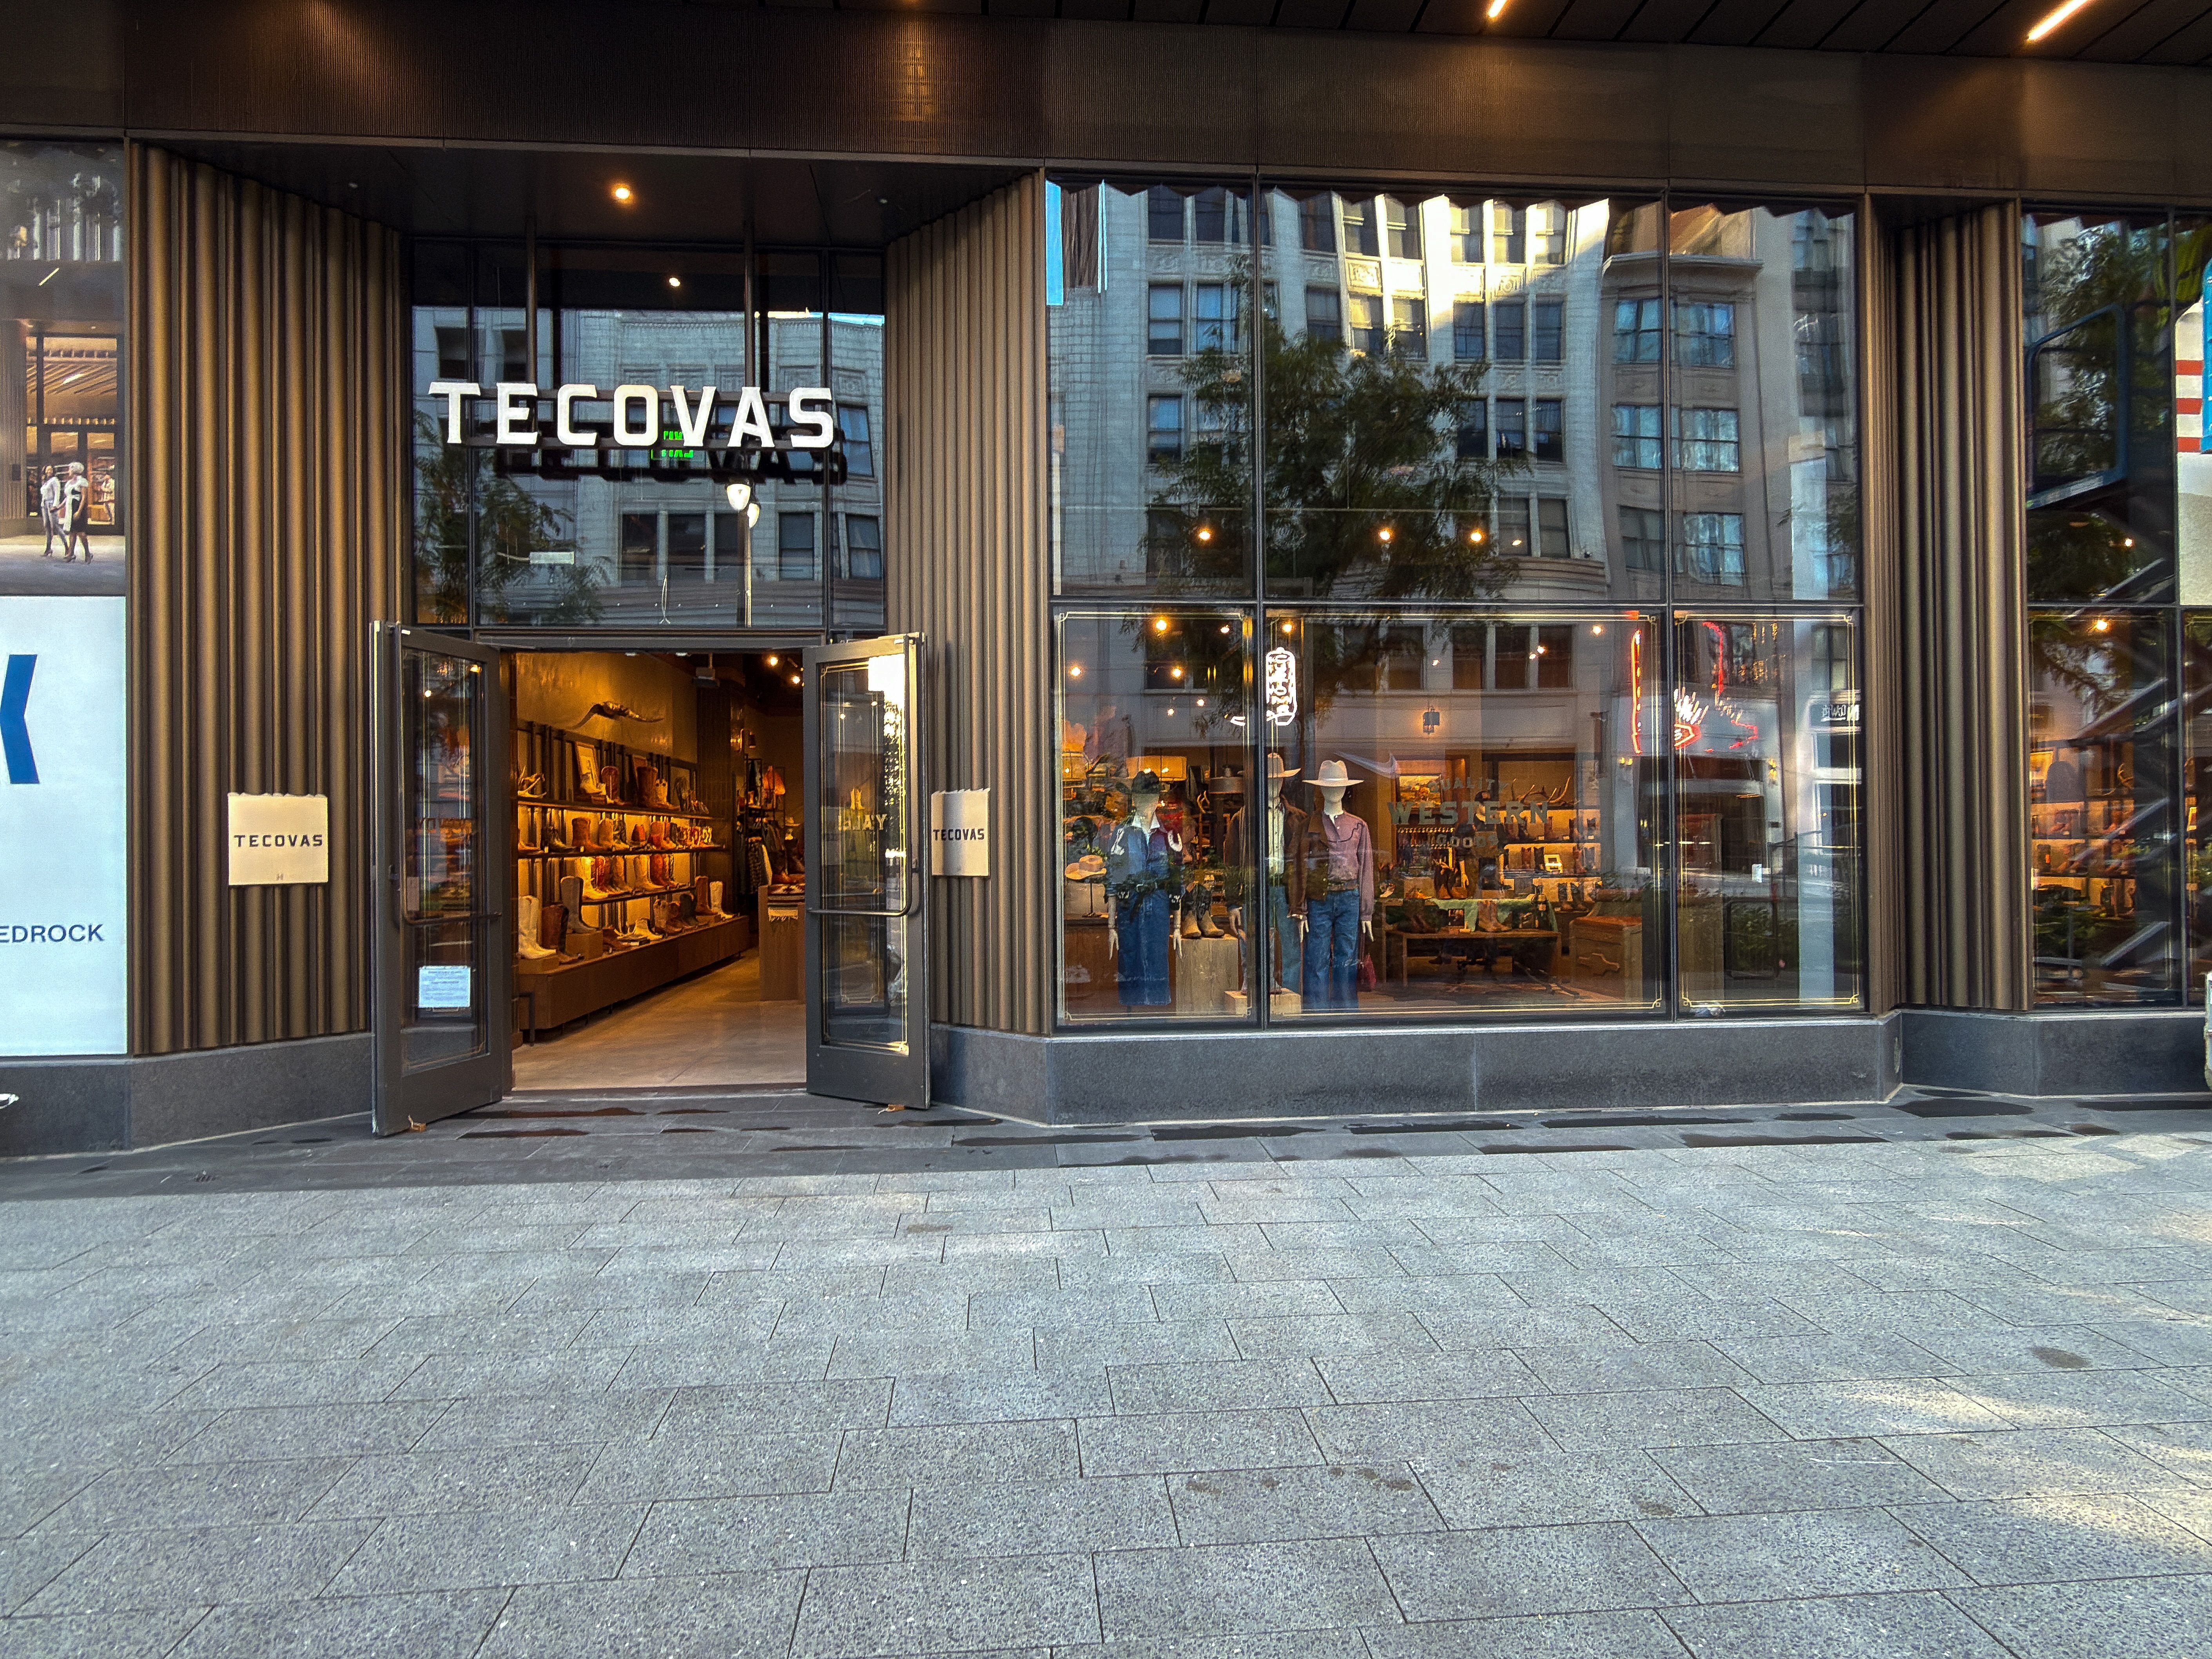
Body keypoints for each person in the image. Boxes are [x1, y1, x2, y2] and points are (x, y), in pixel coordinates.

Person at [63, 463, 93, 563]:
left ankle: (88, 554)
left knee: (81, 533)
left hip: (77, 507)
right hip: (70, 508)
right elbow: (67, 497)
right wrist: (59, 507)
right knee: (72, 532)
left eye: (70, 470)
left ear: (75, 471)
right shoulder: (69, 483)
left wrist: (79, 511)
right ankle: (71, 554)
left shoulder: (82, 481)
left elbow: (84, 497)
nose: (69, 472)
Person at [37, 467, 63, 559]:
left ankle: (68, 547)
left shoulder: (55, 480)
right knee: (47, 526)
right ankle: (48, 548)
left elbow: (57, 494)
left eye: (51, 470)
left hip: (51, 504)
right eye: (47, 470)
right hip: (44, 505)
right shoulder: (45, 482)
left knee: (55, 527)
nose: (49, 471)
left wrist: (55, 506)